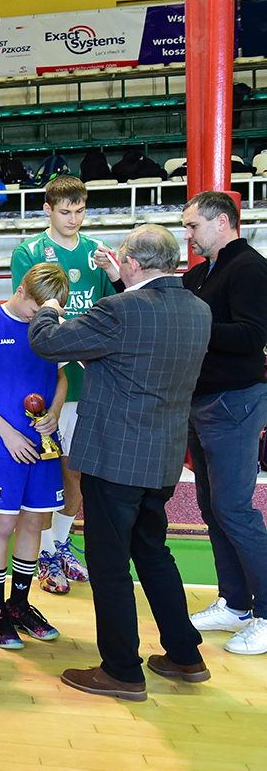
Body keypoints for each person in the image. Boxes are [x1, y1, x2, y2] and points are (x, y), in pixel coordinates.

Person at [29, 224, 211, 701]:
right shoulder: (198, 309)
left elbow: (47, 342)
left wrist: (48, 306)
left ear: (131, 263)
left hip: (116, 458)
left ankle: (122, 671)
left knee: (109, 565)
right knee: (153, 553)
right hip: (163, 456)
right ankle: (186, 655)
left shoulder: (121, 309)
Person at [10, 175, 123, 594]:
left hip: (92, 380)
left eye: (79, 211)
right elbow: (28, 312)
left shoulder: (98, 253)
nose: (73, 219)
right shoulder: (29, 252)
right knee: (46, 472)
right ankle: (41, 554)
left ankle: (58, 544)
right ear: (48, 210)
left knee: (78, 472)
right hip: (47, 378)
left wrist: (114, 274)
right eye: (64, 211)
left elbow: (116, 308)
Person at [0, 265, 69, 650]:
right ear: (21, 290)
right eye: (35, 310)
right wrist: (6, 433)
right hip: (2, 443)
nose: (38, 318)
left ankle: (20, 606)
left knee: (34, 522)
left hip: (43, 442)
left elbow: (61, 377)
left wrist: (55, 410)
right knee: (2, 525)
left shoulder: (53, 324)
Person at [181, 191, 267, 655]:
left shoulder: (249, 268)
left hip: (234, 401)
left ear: (222, 222)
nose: (188, 235)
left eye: (193, 226)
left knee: (234, 509)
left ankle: (266, 612)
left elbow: (253, 335)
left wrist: (197, 329)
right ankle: (235, 603)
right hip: (202, 401)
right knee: (214, 509)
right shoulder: (199, 273)